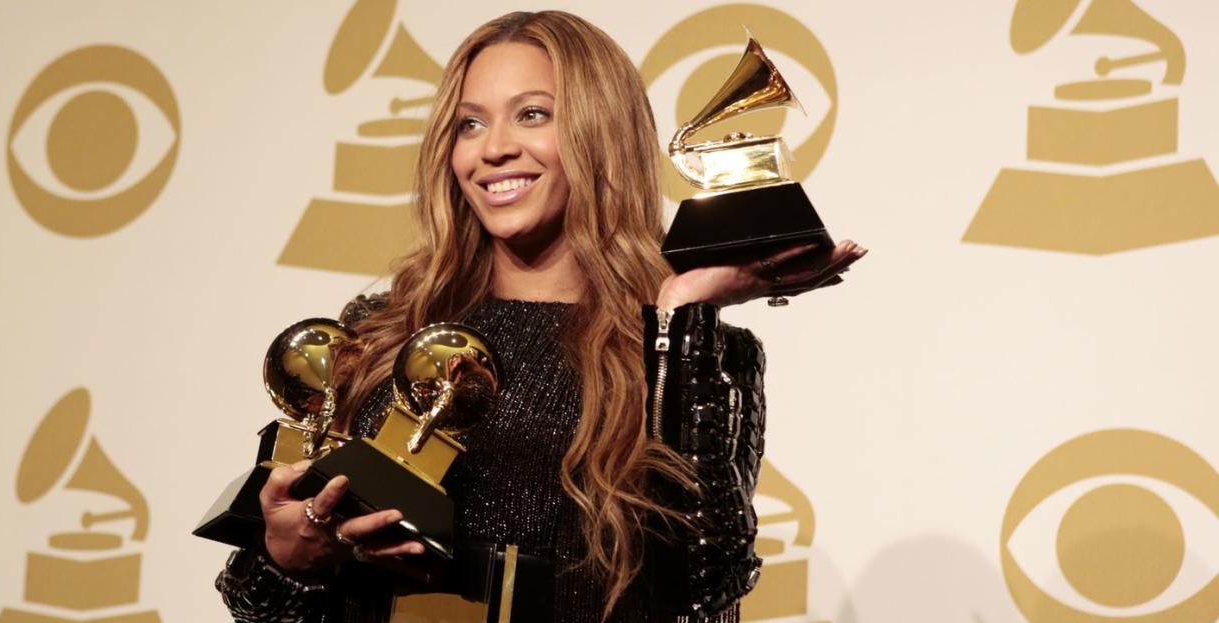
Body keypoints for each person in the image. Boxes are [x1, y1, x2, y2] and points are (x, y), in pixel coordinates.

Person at [215, 10, 865, 623]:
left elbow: (704, 584)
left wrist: (679, 313)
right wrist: (287, 558)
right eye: (469, 124)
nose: (492, 149)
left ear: (600, 133)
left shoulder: (690, 352)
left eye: (532, 114)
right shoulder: (383, 330)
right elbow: (256, 601)